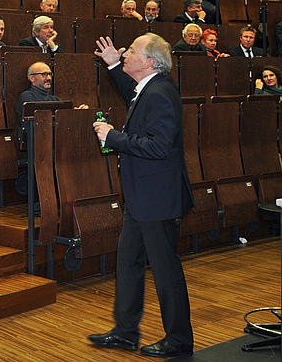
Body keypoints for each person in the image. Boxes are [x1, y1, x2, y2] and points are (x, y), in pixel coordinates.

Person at [90, 33, 195, 359]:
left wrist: (114, 137)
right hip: (142, 198)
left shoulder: (160, 94)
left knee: (165, 270)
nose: (125, 52)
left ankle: (178, 340)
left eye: (131, 51)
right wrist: (112, 66)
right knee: (129, 261)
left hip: (157, 198)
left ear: (149, 61)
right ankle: (125, 331)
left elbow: (159, 146)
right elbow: (130, 93)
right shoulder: (150, 87)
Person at [17, 62, 89, 117]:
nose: (49, 78)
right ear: (32, 78)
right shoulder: (26, 97)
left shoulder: (55, 99)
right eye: (44, 74)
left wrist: (78, 112)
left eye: (50, 74)